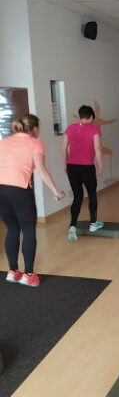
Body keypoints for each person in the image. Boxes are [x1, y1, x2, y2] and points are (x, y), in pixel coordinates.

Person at [0, 114, 65, 287]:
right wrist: (56, 191)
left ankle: (13, 271)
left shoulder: (5, 141)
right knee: (28, 230)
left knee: (12, 228)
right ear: (35, 128)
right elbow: (41, 170)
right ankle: (28, 275)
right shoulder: (35, 142)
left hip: (1, 190)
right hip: (19, 190)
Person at [62, 105, 103, 241]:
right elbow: (97, 149)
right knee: (92, 195)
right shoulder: (94, 129)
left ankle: (72, 226)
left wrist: (65, 164)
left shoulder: (70, 128)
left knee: (77, 196)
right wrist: (100, 166)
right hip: (87, 167)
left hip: (72, 167)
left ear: (79, 116)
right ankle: (93, 224)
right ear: (91, 117)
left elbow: (63, 148)